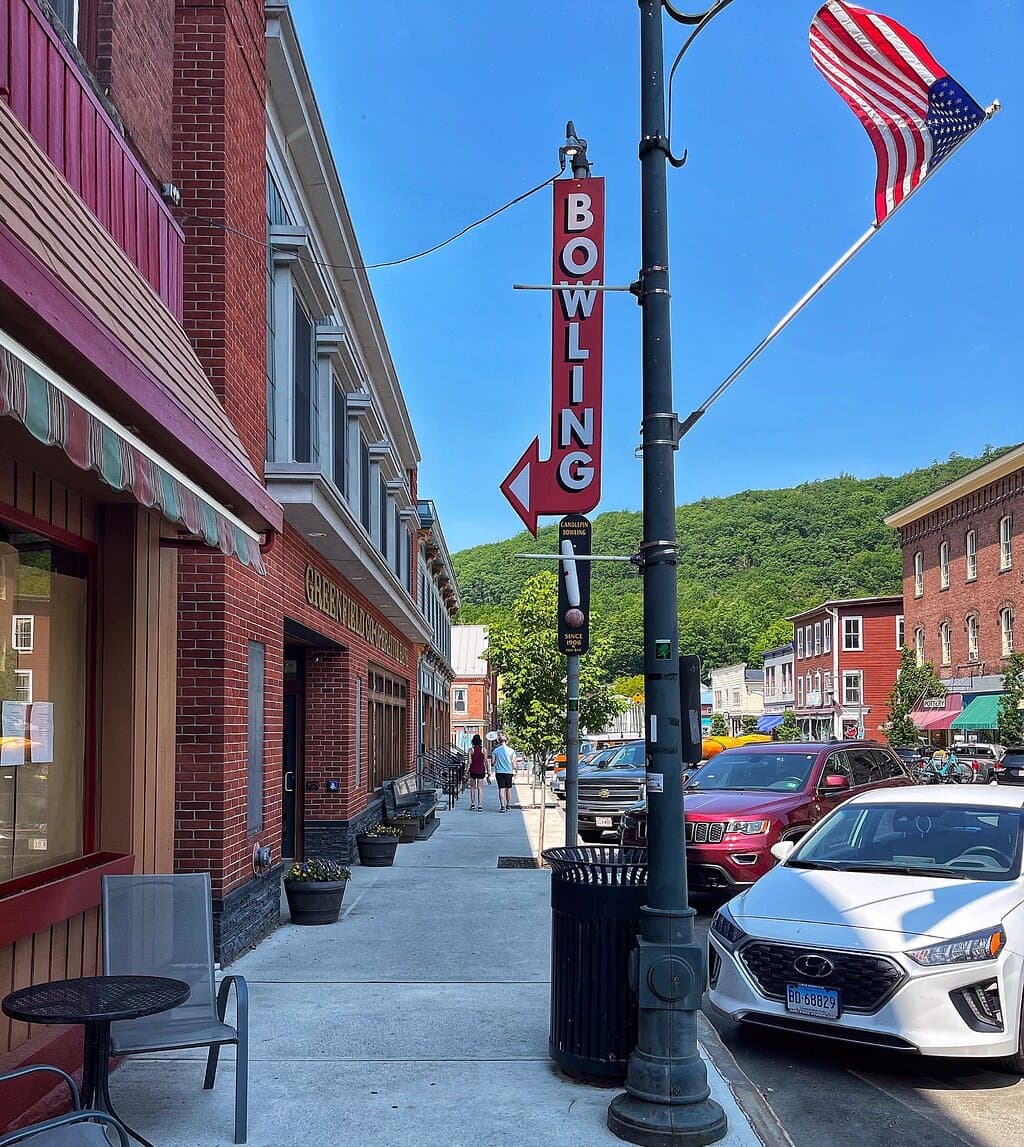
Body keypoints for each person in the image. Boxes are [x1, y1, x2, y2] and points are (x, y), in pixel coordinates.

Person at [491, 733, 516, 812]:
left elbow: (492, 762)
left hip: (499, 772)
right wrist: (516, 770)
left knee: (501, 789)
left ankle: (502, 806)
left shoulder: (495, 751)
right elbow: (514, 763)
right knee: (508, 789)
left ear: (499, 741)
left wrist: (495, 763)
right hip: (509, 772)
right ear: (507, 741)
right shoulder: (511, 751)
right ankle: (508, 805)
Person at [467, 734, 487, 811]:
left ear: (473, 741)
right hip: (481, 770)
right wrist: (488, 771)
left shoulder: (471, 750)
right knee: (480, 788)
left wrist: (466, 771)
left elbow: (469, 762)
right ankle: (480, 805)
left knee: (472, 788)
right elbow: (485, 761)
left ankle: (472, 804)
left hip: (473, 770)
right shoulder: (484, 750)